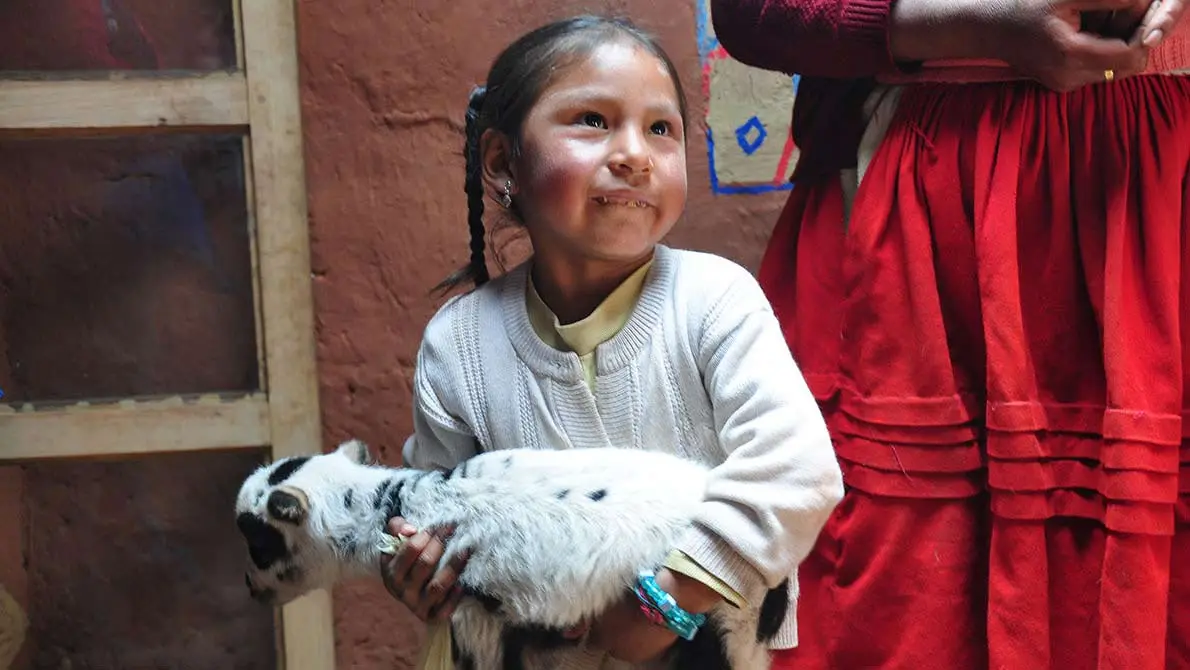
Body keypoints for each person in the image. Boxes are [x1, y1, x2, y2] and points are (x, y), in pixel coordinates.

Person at [707, 0, 1190, 668]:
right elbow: (753, 11)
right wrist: (977, 23)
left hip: (1157, 204)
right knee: (907, 592)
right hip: (918, 215)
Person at [376, 15, 845, 669]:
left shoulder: (715, 302)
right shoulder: (459, 345)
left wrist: (666, 602)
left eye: (661, 128)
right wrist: (412, 561)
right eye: (594, 121)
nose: (633, 153)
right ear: (503, 162)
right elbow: (434, 503)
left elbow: (797, 474)